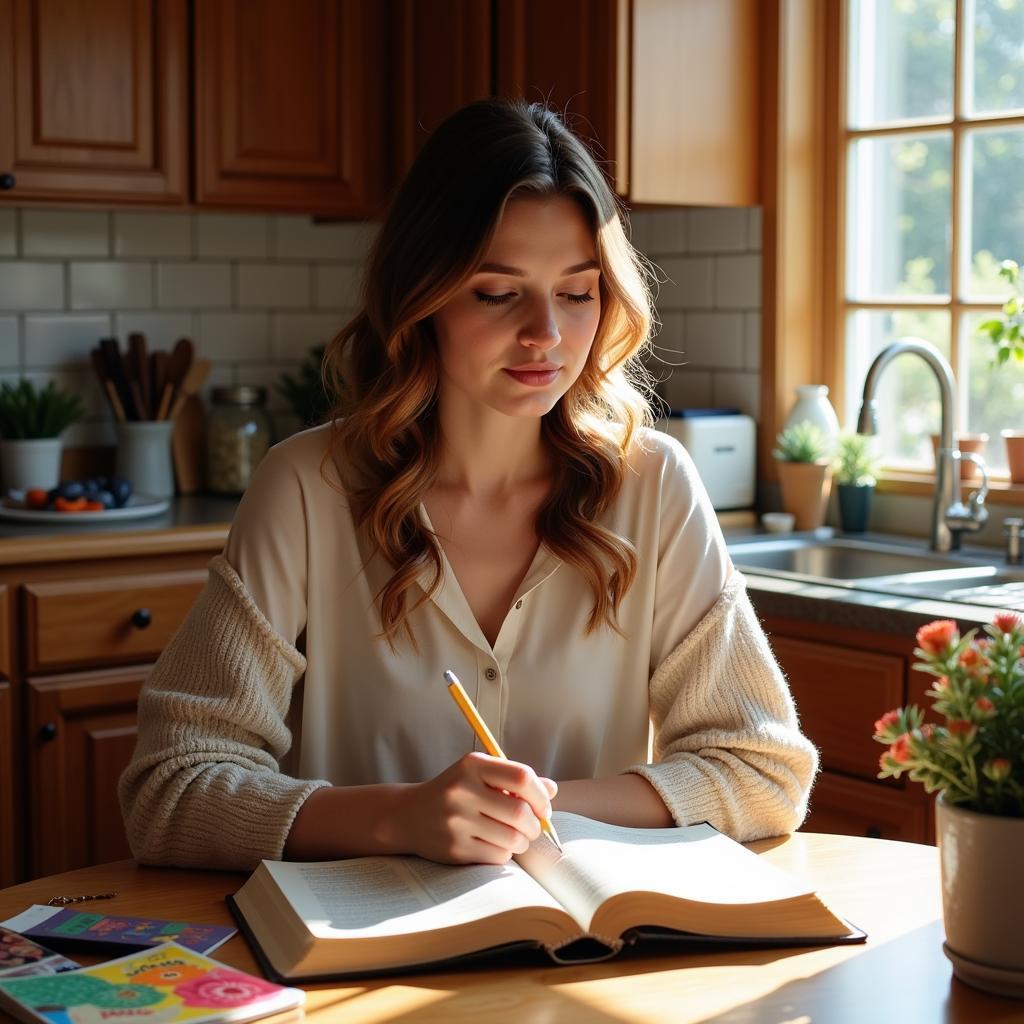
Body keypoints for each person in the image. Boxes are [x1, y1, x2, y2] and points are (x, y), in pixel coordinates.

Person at [119, 98, 818, 871]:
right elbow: (169, 790)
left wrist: (532, 808)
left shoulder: (654, 485)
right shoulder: (305, 490)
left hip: (582, 959)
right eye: (496, 291)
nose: (546, 334)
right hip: (359, 971)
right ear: (423, 297)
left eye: (578, 292)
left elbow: (763, 771)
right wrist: (399, 819)